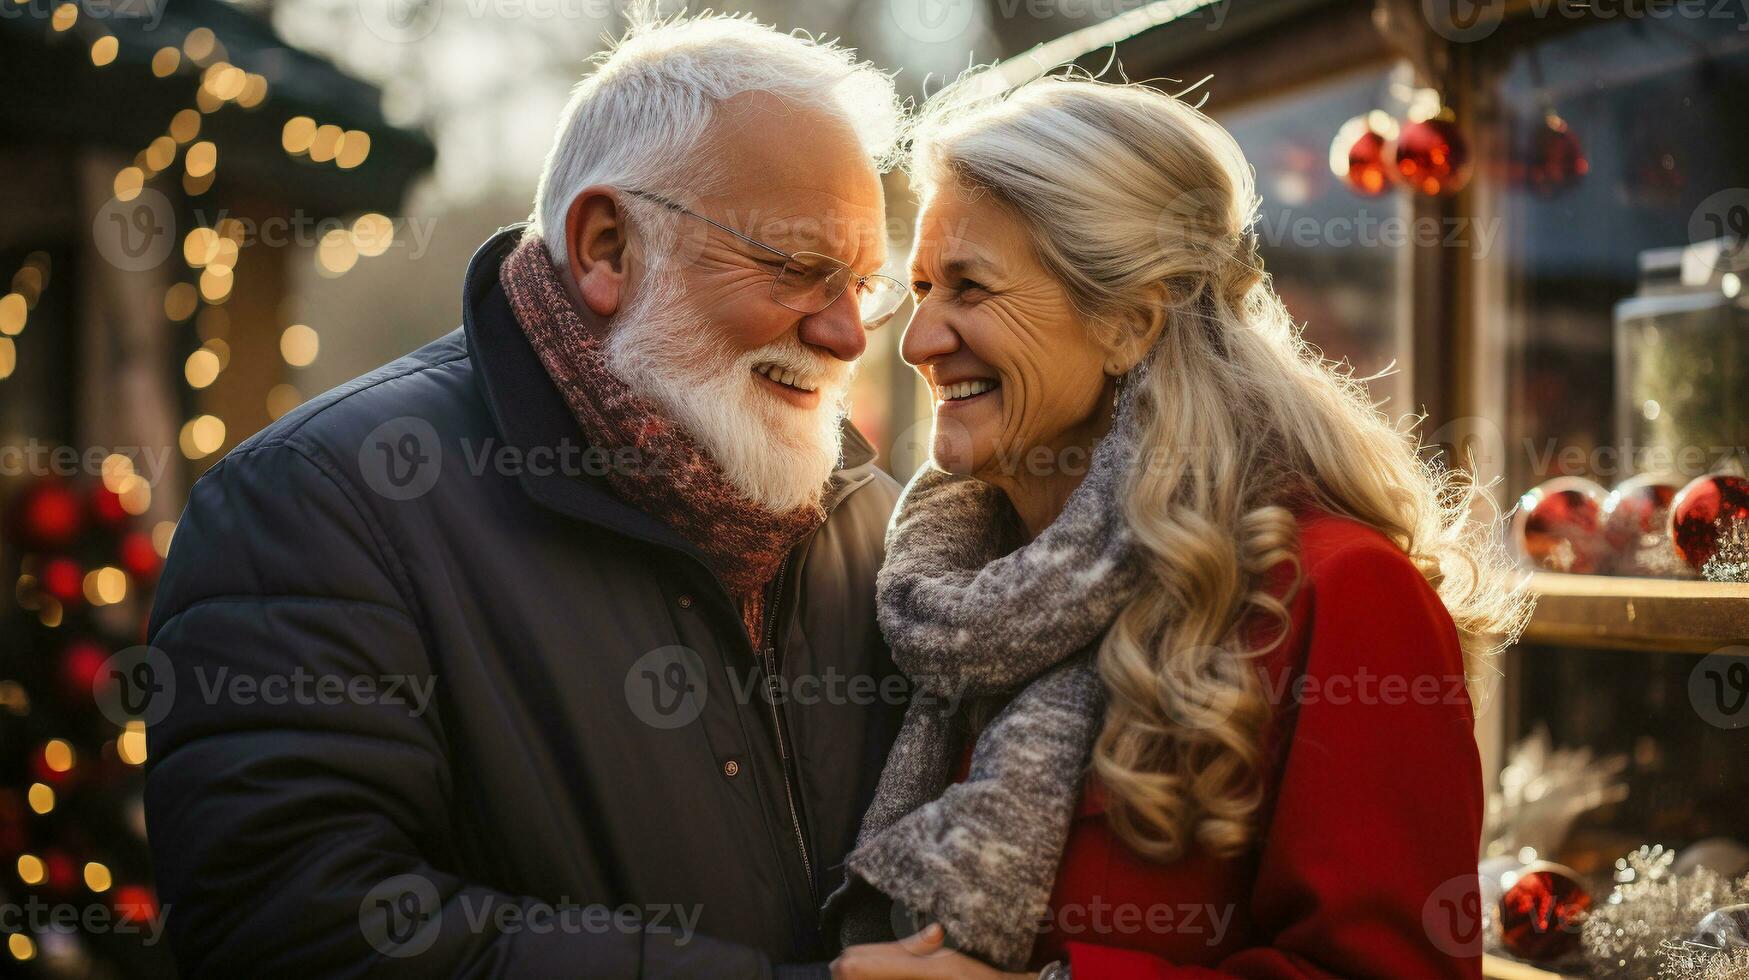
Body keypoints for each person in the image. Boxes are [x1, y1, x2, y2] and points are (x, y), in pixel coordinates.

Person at [143, 12, 909, 977]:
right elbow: (296, 925)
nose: (847, 334)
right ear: (605, 248)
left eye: (866, 286)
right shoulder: (317, 503)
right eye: (799, 270)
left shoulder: (874, 522)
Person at [825, 73, 1531, 979]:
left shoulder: (1336, 592)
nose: (918, 341)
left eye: (969, 288)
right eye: (920, 286)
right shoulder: (928, 593)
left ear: (1126, 321)